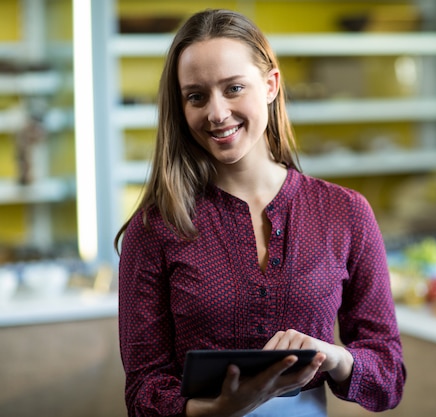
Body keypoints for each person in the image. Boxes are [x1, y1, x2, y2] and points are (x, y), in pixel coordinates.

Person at [115, 8, 405, 417]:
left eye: (233, 88)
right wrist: (218, 410)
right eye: (196, 96)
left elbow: (388, 377)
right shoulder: (155, 227)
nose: (216, 113)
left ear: (270, 85)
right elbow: (142, 392)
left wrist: (337, 357)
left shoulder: (346, 213)